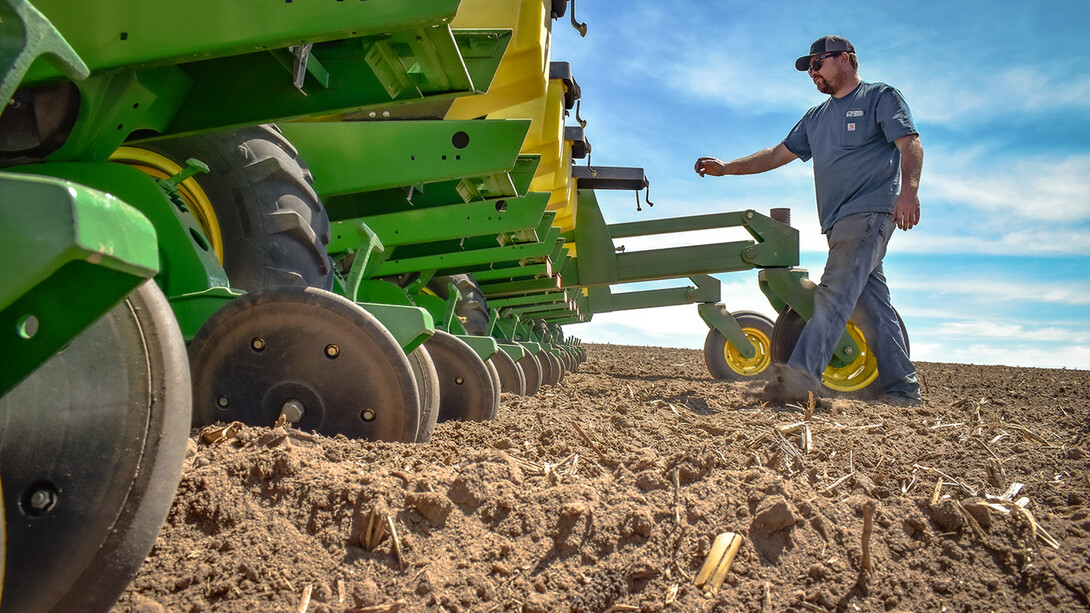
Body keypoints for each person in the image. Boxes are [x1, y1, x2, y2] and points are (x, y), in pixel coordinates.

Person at [694, 35, 923, 405]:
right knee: (873, 307)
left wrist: (908, 192)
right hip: (838, 223)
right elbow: (775, 155)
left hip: (868, 213)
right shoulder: (816, 119)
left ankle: (798, 382)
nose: (812, 72)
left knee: (832, 296)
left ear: (845, 60)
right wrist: (727, 169)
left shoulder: (878, 98)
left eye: (818, 63)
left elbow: (909, 143)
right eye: (809, 68)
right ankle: (903, 390)